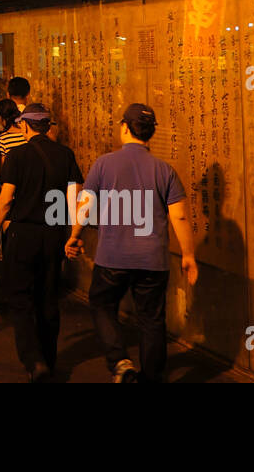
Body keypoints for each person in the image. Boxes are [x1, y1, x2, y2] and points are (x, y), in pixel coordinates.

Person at [66, 104, 198, 383]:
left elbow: (85, 205)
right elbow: (181, 216)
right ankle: (151, 378)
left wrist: (75, 235)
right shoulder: (165, 171)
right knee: (151, 319)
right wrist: (188, 254)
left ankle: (121, 363)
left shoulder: (104, 164)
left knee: (102, 304)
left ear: (125, 127)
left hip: (113, 257)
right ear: (150, 133)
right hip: (153, 260)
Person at [0, 103, 83, 382]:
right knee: (48, 296)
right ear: (48, 126)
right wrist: (74, 235)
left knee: (20, 299)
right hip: (54, 235)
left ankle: (33, 359)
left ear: (25, 126)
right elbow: (75, 199)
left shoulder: (17, 156)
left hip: (22, 234)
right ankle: (48, 360)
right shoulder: (65, 154)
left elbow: (5, 200)